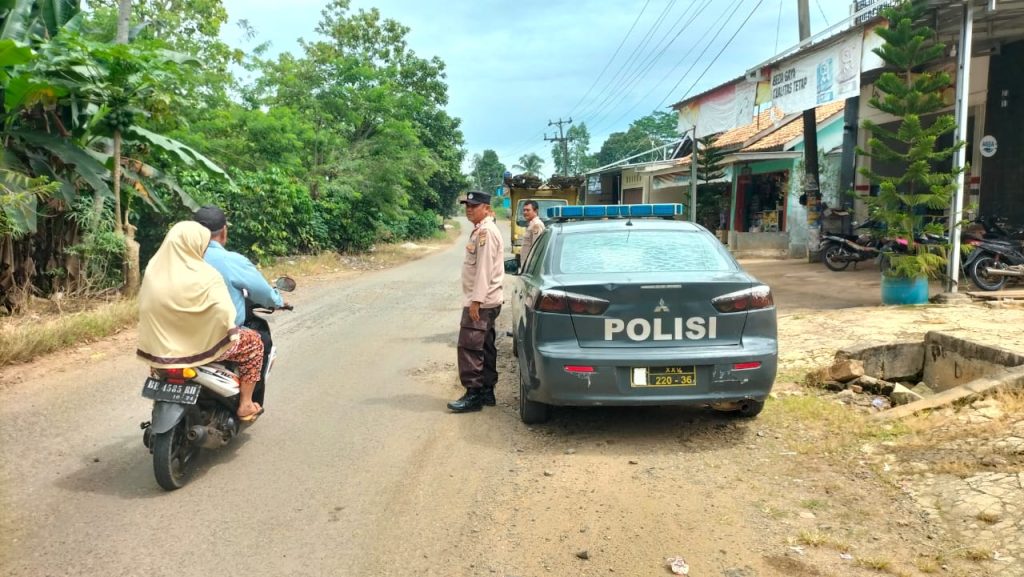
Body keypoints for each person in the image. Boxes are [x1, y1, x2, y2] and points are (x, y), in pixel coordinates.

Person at [137, 221, 265, 421]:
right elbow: (225, 312)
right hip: (202, 348)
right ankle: (246, 404)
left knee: (160, 366)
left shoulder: (153, 271)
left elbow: (144, 307)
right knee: (255, 343)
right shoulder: (206, 274)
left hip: (162, 349)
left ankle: (160, 402)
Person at [193, 205, 284, 407]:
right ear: (224, 231)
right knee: (257, 343)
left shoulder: (177, 258)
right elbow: (263, 292)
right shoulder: (230, 260)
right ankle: (245, 403)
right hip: (214, 339)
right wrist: (278, 301)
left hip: (173, 338)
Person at [448, 191, 505, 413]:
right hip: (487, 301)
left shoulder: (486, 232)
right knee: (485, 346)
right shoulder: (482, 229)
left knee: (470, 347)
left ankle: (473, 395)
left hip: (482, 302)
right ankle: (487, 392)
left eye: (474, 205)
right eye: (467, 206)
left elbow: (484, 269)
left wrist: (476, 301)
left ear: (487, 208)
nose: (469, 209)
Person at [519, 200, 545, 265]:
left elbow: (536, 248)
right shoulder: (531, 224)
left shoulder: (536, 225)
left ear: (536, 211)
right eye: (524, 210)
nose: (525, 212)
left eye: (528, 210)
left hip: (531, 263)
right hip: (526, 263)